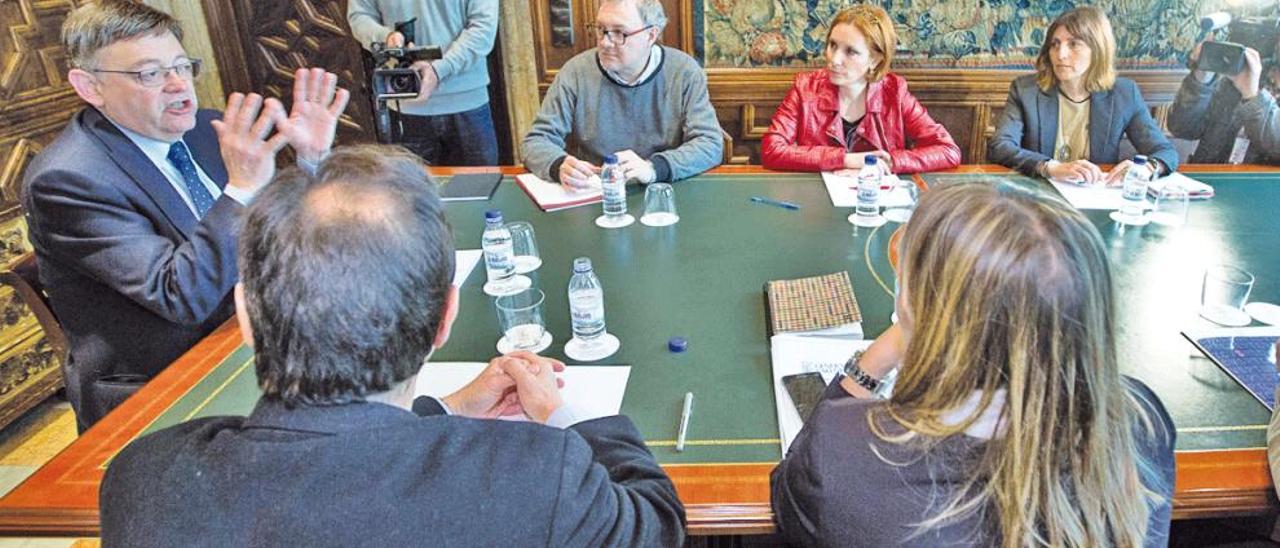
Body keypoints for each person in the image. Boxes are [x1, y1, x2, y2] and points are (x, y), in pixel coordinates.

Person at [98, 145, 686, 546]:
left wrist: (446, 409)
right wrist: (571, 417)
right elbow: (656, 524)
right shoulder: (535, 473)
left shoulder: (144, 477)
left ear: (246, 316)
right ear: (445, 318)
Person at [771, 181, 1176, 546]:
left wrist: (875, 360)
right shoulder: (1141, 420)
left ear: (915, 308)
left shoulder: (848, 449)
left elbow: (790, 496)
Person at [22, 1, 348, 429]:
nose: (178, 85)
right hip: (165, 389)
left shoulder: (205, 129)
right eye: (150, 74)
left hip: (252, 339)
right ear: (90, 86)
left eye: (182, 66)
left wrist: (310, 160)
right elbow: (181, 295)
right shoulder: (67, 179)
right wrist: (243, 187)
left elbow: (278, 234)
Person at [522, 0, 722, 188]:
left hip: (663, 189)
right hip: (597, 191)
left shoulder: (683, 71)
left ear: (651, 35)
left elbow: (709, 143)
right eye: (601, 30)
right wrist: (558, 165)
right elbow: (536, 141)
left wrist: (653, 168)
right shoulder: (575, 72)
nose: (605, 43)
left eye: (619, 33)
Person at [988, 6, 1179, 185]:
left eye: (1074, 44)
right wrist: (1050, 167)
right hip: (1040, 193)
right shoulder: (1026, 90)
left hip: (1093, 195)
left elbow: (1165, 151)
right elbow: (1000, 146)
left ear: (1097, 50)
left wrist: (1147, 168)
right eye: (1055, 44)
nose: (1060, 54)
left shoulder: (1124, 94)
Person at [761, 5, 961, 174]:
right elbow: (772, 150)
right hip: (816, 203)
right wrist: (847, 160)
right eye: (832, 45)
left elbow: (948, 150)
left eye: (851, 52)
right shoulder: (806, 88)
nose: (834, 59)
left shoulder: (895, 92)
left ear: (875, 59)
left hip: (877, 203)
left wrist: (892, 161)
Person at [347, 0, 500, 166]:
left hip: (467, 105)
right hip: (406, 103)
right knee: (409, 190)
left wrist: (439, 70)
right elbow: (359, 17)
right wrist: (386, 38)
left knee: (480, 188)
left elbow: (483, 28)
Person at [1167, 34, 1280, 164]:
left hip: (1256, 183)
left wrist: (1252, 96)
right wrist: (1202, 79)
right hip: (1206, 178)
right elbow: (1182, 128)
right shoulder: (1247, 67)